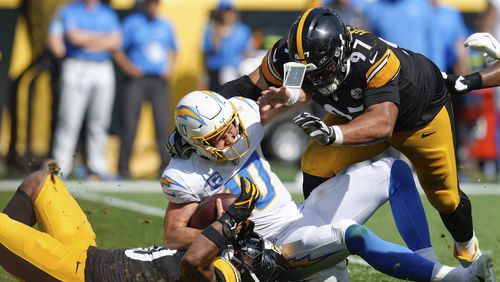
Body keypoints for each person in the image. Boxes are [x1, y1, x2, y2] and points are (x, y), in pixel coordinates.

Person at [206, 7, 482, 267]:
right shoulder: (290, 54)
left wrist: (333, 133)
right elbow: (248, 85)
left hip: (418, 117)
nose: (315, 79)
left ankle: (468, 247)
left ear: (340, 52)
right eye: (307, 72)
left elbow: (383, 122)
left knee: (445, 197)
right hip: (356, 111)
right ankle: (322, 244)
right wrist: (200, 109)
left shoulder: (371, 55)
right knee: (316, 163)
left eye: (321, 69)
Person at [162, 90, 494, 281]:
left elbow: (286, 104)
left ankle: (425, 260)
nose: (233, 135)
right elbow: (173, 234)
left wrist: (291, 94)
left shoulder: (243, 118)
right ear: (196, 143)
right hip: (275, 246)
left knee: (392, 169)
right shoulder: (186, 174)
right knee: (349, 232)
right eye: (218, 136)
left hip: (300, 215)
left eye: (231, 125)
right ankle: (453, 279)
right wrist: (231, 233)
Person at [0, 165, 289, 281]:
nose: (249, 247)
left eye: (255, 254)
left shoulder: (224, 277)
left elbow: (194, 262)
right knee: (41, 182)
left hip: (75, 274)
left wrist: (230, 218)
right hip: (86, 256)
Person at [49, 0, 121, 178]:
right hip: (77, 66)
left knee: (99, 120)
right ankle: (61, 166)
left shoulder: (107, 13)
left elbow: (115, 41)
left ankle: (97, 166)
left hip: (102, 66)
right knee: (69, 120)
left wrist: (86, 39)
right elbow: (73, 37)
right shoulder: (70, 10)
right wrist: (101, 39)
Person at [114, 0, 178, 178]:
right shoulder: (132, 23)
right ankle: (123, 167)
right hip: (137, 80)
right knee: (130, 124)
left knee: (161, 124)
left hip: (158, 81)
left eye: (156, 3)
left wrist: (170, 68)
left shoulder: (165, 25)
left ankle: (165, 167)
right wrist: (128, 68)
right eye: (150, 3)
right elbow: (117, 49)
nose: (153, 6)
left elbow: (174, 49)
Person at [202, 0, 252, 91]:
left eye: (230, 11)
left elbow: (247, 52)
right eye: (224, 12)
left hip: (235, 72)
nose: (228, 15)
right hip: (215, 73)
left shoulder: (242, 30)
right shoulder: (211, 30)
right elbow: (205, 54)